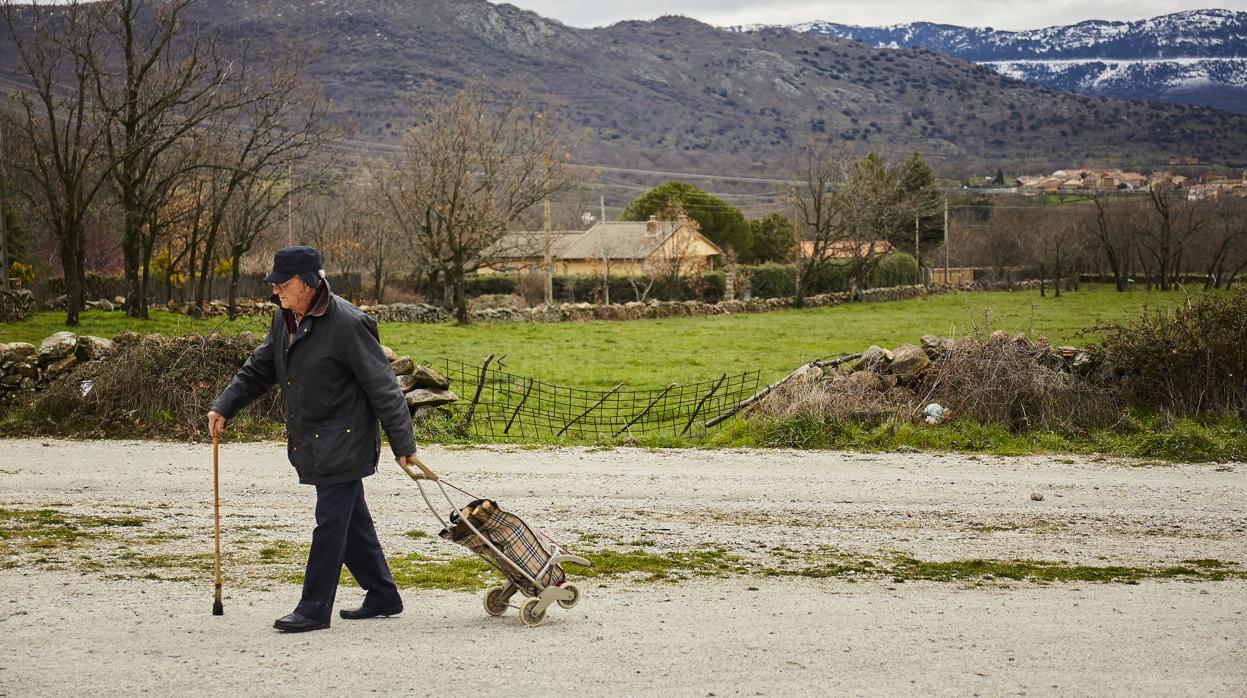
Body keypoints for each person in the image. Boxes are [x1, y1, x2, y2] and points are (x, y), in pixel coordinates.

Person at [207, 245, 417, 633]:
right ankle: (382, 593)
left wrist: (403, 444)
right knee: (350, 521)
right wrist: (225, 405)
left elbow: (384, 387)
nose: (275, 291)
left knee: (330, 524)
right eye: (274, 285)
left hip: (346, 442)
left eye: (282, 284)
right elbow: (261, 367)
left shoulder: (349, 324)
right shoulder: (284, 318)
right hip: (314, 440)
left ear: (308, 283)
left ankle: (314, 607)